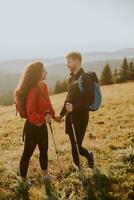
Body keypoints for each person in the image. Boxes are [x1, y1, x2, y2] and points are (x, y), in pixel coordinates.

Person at [14, 61, 57, 183]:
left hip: (42, 127)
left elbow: (48, 104)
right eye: (44, 70)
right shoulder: (33, 90)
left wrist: (55, 117)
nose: (46, 72)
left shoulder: (43, 86)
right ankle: (23, 181)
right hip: (32, 128)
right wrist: (44, 119)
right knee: (27, 154)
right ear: (38, 73)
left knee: (44, 151)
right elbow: (31, 114)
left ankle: (45, 176)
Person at [57, 52, 95, 169]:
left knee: (77, 146)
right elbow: (68, 99)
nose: (67, 64)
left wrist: (74, 107)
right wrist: (61, 115)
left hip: (81, 118)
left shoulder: (85, 78)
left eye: (69, 62)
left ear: (77, 61)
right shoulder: (71, 78)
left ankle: (89, 156)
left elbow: (90, 101)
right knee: (73, 144)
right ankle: (78, 168)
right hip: (70, 118)